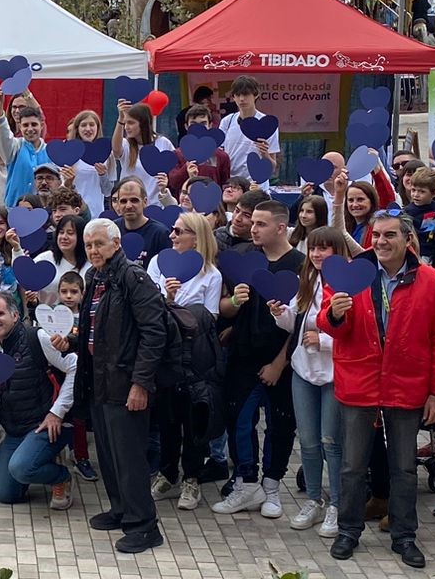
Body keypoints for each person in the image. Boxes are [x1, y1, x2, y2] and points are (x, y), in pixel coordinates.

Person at [322, 209, 435, 568]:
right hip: (360, 383)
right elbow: (331, 326)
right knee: (352, 466)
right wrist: (335, 313)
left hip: (406, 386)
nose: (380, 241)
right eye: (376, 234)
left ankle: (404, 534)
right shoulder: (352, 274)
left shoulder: (431, 281)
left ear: (407, 239)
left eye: (389, 235)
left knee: (405, 467)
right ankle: (348, 531)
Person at [77, 217, 170, 555]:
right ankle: (121, 510)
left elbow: (154, 333)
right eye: (88, 245)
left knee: (130, 457)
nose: (93, 250)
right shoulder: (94, 276)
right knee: (109, 452)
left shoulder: (133, 277)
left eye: (99, 243)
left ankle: (144, 526)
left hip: (125, 381)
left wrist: (141, 382)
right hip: (99, 380)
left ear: (116, 244)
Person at [215, 199, 301, 519]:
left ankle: (272, 486)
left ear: (281, 227)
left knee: (280, 424)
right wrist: (234, 305)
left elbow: (302, 319)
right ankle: (245, 481)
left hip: (281, 360)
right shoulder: (242, 258)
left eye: (261, 224)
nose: (253, 228)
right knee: (239, 420)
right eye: (252, 222)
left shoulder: (299, 264)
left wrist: (280, 362)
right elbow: (223, 308)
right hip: (243, 355)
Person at [281, 224, 356, 539]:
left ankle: (337, 505)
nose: (316, 254)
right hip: (304, 369)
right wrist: (278, 314)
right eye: (313, 248)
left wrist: (323, 340)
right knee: (309, 442)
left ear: (337, 251)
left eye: (323, 248)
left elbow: (356, 331)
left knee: (331, 442)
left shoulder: (349, 283)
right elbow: (295, 326)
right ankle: (314, 499)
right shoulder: (306, 279)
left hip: (335, 371)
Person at [0, 290, 77, 510]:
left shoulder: (36, 337)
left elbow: (74, 365)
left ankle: (60, 477)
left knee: (21, 468)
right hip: (14, 430)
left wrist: (57, 412)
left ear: (15, 316)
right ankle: (35, 460)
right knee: (6, 494)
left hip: (45, 425)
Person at [149, 209, 222, 510]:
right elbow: (150, 310)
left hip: (196, 356)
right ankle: (167, 472)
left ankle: (192, 477)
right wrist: (167, 299)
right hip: (165, 354)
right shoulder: (159, 263)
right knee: (167, 417)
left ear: (196, 237)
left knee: (194, 417)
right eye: (173, 231)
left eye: (179, 231)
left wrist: (177, 311)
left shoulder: (211, 274)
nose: (172, 236)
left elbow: (211, 317)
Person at [218, 76, 281, 179]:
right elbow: (220, 156)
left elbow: (272, 167)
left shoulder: (267, 124)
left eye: (246, 94)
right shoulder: (227, 121)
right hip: (232, 183)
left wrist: (265, 154)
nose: (242, 99)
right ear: (233, 97)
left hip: (256, 184)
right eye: (237, 95)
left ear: (256, 95)